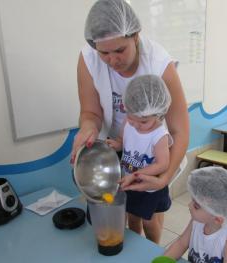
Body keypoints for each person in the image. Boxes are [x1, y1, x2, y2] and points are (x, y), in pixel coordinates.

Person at [70, 0, 189, 241]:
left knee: (150, 214)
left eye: (120, 50)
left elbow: (180, 131)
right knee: (112, 208)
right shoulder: (88, 59)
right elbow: (91, 114)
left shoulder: (158, 63)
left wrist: (163, 178)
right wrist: (88, 129)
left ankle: (150, 250)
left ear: (135, 36)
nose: (112, 60)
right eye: (104, 52)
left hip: (150, 150)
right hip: (116, 146)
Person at [106, 74, 173, 243]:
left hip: (150, 187)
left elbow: (163, 164)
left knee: (149, 221)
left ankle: (153, 246)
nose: (135, 124)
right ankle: (138, 244)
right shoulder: (129, 123)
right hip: (130, 183)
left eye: (143, 122)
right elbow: (123, 141)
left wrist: (137, 174)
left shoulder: (159, 135)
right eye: (131, 118)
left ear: (159, 115)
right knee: (133, 216)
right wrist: (116, 145)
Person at [164, 167, 227, 263]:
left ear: (217, 219)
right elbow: (181, 243)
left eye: (196, 206)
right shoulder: (197, 221)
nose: (189, 206)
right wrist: (165, 259)